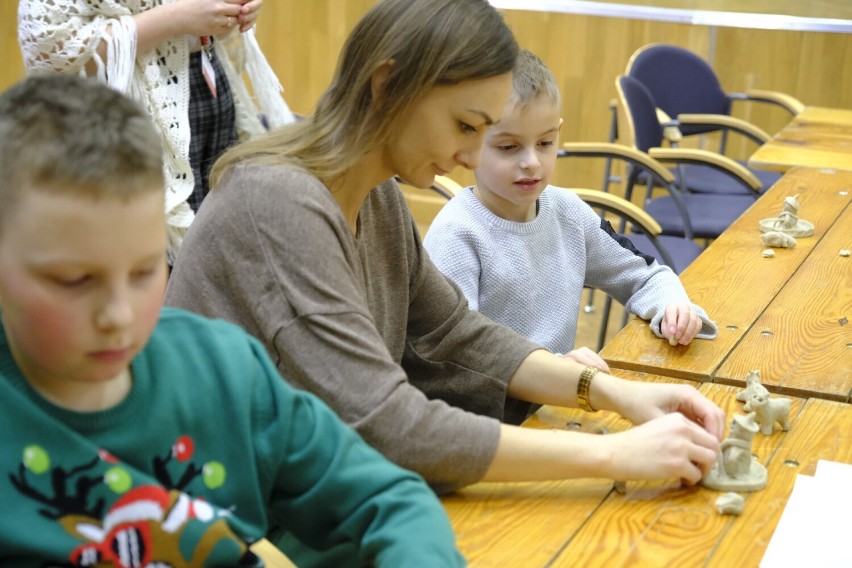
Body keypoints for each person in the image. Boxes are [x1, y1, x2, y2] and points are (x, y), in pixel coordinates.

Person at [165, 0, 725, 501]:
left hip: (303, 491)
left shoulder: (374, 191)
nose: (466, 157)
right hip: (228, 512)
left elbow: (456, 331)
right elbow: (386, 419)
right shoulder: (277, 203)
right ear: (387, 85)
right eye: (464, 126)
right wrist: (614, 455)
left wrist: (615, 395)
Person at [0, 74, 463, 567]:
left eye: (144, 270)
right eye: (74, 281)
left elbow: (389, 501)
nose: (117, 315)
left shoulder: (223, 371)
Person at [423, 49, 717, 358]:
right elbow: (456, 359)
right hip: (487, 405)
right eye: (508, 147)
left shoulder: (569, 212)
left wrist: (673, 306)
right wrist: (555, 370)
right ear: (468, 144)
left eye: (545, 143)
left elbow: (644, 275)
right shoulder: (455, 236)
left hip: (559, 394)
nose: (532, 162)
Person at [18, 0, 295, 261]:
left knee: (218, 251)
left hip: (206, 87)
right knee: (151, 261)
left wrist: (231, 10)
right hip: (123, 112)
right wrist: (177, 18)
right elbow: (50, 50)